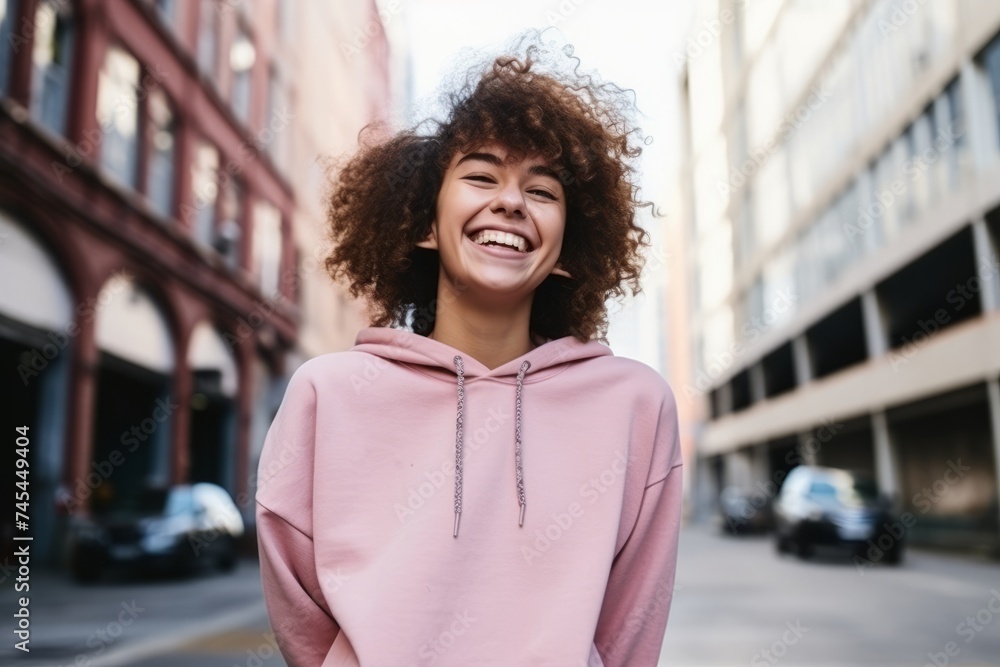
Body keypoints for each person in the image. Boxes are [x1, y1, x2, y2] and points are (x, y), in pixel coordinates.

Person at [255, 34, 684, 667]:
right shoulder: (330, 393)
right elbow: (298, 609)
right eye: (481, 176)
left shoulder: (635, 405)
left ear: (569, 249)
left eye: (542, 192)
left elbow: (631, 624)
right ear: (424, 224)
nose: (510, 201)